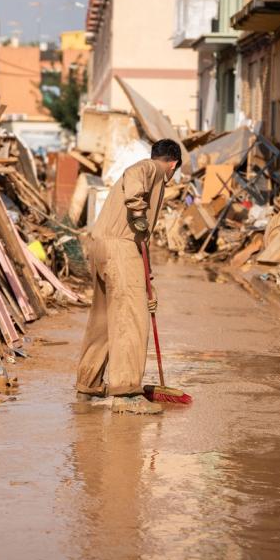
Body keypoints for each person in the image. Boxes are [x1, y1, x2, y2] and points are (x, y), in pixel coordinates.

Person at [75, 138, 182, 415]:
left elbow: (140, 241)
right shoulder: (153, 168)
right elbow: (135, 175)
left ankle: (88, 385)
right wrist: (137, 210)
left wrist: (147, 280)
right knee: (130, 317)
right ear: (173, 164)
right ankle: (125, 393)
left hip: (101, 246)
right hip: (121, 249)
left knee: (103, 320)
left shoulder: (151, 171)